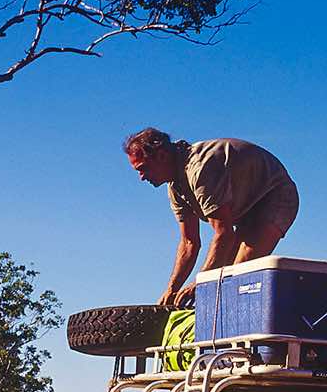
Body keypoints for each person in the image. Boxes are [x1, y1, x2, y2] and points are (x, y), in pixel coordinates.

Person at [123, 128, 299, 307]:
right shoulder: (175, 187)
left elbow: (224, 233)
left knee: (233, 278)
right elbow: (189, 243)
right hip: (246, 209)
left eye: (142, 169)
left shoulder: (199, 169)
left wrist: (201, 281)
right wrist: (171, 290)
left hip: (276, 195)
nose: (141, 177)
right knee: (220, 280)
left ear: (161, 156)